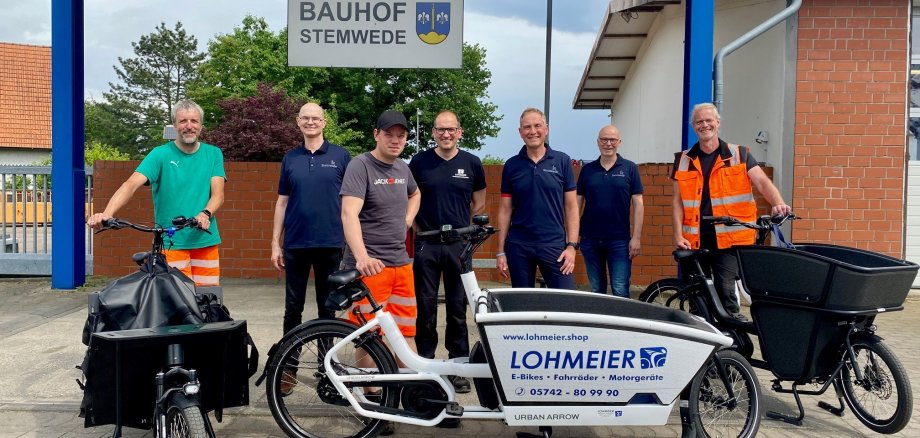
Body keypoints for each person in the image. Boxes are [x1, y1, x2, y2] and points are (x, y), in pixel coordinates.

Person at [672, 102, 792, 320]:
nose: (704, 125)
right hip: (695, 237)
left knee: (726, 288)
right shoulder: (683, 160)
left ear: (718, 123)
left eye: (709, 120)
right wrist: (678, 234)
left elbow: (762, 182)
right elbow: (677, 201)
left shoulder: (740, 154)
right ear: (693, 126)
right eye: (699, 121)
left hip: (730, 237)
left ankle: (731, 341)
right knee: (697, 294)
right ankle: (702, 338)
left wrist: (778, 202)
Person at [87, 100, 226, 286]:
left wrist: (205, 213)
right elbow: (130, 185)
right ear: (175, 125)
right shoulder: (160, 154)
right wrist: (107, 214)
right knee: (177, 301)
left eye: (194, 121)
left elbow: (218, 194)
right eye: (183, 121)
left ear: (201, 125)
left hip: (205, 240)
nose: (189, 126)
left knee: (209, 300)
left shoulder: (213, 154)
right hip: (171, 243)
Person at [409, 110, 486, 394]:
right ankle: (426, 365)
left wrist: (464, 228)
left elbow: (479, 201)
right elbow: (410, 197)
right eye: (441, 130)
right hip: (427, 243)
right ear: (433, 132)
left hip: (458, 245)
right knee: (425, 307)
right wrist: (418, 228)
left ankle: (458, 367)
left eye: (451, 129)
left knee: (457, 308)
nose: (446, 134)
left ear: (459, 132)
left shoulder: (472, 163)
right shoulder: (419, 162)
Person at [341, 109, 421, 346]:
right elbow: (348, 213)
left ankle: (408, 384)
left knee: (406, 333)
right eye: (389, 134)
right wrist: (362, 257)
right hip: (372, 268)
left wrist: (407, 219)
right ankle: (372, 385)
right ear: (376, 134)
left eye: (401, 135)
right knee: (370, 337)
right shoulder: (361, 166)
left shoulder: (402, 168)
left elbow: (416, 193)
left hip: (401, 264)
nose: (395, 140)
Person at [271, 102, 351, 338]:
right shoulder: (290, 158)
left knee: (327, 308)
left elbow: (351, 201)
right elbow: (282, 202)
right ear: (298, 122)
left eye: (315, 118)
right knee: (293, 308)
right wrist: (276, 243)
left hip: (331, 242)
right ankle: (289, 367)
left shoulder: (341, 156)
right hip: (296, 244)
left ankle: (325, 369)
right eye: (305, 118)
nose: (310, 122)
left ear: (324, 122)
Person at [496, 108, 579, 289]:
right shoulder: (512, 165)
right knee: (522, 306)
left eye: (537, 126)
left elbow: (571, 207)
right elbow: (505, 210)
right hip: (519, 245)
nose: (532, 131)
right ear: (520, 132)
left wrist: (572, 246)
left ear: (546, 128)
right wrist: (500, 251)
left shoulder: (562, 161)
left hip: (554, 245)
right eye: (527, 127)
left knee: (566, 303)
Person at [577, 125, 644, 297]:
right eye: (604, 139)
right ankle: (600, 324)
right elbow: (577, 204)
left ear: (619, 142)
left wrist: (636, 237)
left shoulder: (629, 168)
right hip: (590, 240)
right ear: (598, 142)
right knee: (597, 291)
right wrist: (572, 235)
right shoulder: (587, 170)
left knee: (620, 289)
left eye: (612, 140)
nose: (608, 143)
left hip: (620, 241)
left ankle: (623, 324)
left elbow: (638, 204)